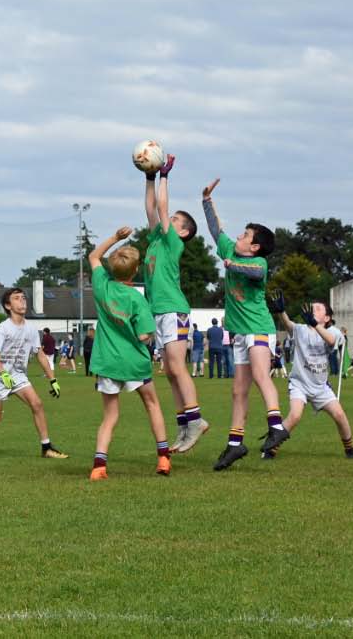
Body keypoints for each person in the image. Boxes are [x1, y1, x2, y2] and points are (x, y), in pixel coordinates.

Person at [202, 178, 286, 471]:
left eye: (245, 234)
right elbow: (216, 231)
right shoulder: (230, 250)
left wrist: (231, 264)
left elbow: (250, 272)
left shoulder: (259, 264)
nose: (239, 235)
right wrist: (207, 201)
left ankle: (277, 425)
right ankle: (235, 445)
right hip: (239, 334)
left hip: (259, 329)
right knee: (238, 391)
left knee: (262, 376)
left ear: (255, 246)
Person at [87, 227, 172, 479]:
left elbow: (93, 256)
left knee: (110, 416)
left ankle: (99, 466)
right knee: (152, 405)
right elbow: (145, 335)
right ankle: (164, 459)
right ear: (135, 271)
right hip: (135, 362)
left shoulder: (101, 284)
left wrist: (115, 238)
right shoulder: (137, 299)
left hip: (107, 362)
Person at [141, 154, 206, 453]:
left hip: (174, 310)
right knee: (168, 371)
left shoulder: (173, 242)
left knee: (178, 368)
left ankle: (196, 421)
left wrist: (166, 176)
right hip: (158, 311)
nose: (168, 220)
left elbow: (162, 209)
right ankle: (184, 425)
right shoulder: (156, 238)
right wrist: (149, 178)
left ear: (183, 233)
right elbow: (152, 209)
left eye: (175, 221)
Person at [0, 287, 66, 463]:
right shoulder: (4, 328)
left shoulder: (31, 329)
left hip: (17, 375)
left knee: (37, 404)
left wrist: (52, 379)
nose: (22, 301)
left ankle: (46, 447)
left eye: (23, 298)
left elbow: (40, 355)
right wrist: (3, 374)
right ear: (8, 306)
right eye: (17, 298)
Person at [272, 297, 353, 459]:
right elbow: (288, 324)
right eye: (313, 307)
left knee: (339, 415)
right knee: (295, 415)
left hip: (320, 387)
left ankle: (350, 448)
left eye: (318, 309)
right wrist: (281, 312)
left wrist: (315, 325)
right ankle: (271, 449)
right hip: (299, 384)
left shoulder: (333, 332)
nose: (314, 309)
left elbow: (331, 341)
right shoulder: (301, 329)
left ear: (327, 318)